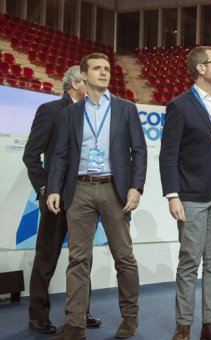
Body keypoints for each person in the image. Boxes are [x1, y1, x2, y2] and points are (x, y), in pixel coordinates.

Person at [46, 53, 146, 339]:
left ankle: (130, 318)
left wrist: (136, 187)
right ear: (84, 75)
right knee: (78, 260)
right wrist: (54, 188)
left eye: (106, 69)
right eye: (97, 69)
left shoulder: (126, 109)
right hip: (79, 190)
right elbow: (61, 155)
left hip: (115, 189)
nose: (104, 73)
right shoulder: (71, 113)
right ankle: (75, 325)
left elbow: (139, 151)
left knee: (124, 258)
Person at [159, 45, 211, 340]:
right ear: (200, 68)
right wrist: (172, 194)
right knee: (189, 260)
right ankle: (183, 324)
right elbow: (168, 154)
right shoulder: (179, 106)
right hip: (192, 194)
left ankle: (210, 324)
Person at [22, 66, 102, 334]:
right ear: (77, 82)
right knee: (47, 258)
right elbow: (31, 155)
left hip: (85, 196)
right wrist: (45, 189)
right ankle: (37, 316)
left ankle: (81, 312)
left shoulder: (94, 112)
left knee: (82, 259)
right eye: (88, 76)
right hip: (55, 199)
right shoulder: (50, 110)